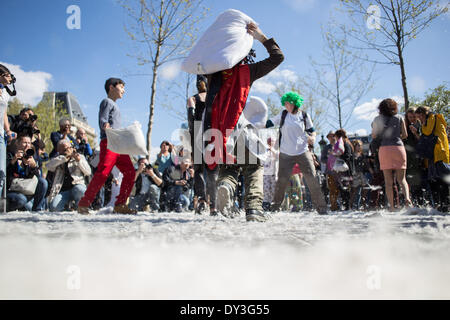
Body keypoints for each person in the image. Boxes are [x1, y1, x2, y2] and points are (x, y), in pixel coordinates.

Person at [204, 22, 284, 222]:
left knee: (229, 169)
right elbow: (278, 57)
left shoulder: (213, 75)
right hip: (246, 130)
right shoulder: (248, 71)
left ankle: (226, 187)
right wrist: (261, 37)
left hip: (221, 132)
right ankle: (254, 209)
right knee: (253, 168)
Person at [77, 78, 137, 214]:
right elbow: (103, 119)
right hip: (109, 142)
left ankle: (120, 204)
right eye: (121, 87)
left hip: (119, 144)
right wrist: (105, 125)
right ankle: (84, 204)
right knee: (103, 172)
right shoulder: (107, 102)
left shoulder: (116, 106)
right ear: (111, 87)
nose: (124, 90)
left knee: (130, 172)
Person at [267, 92, 327, 214]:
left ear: (294, 103)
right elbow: (269, 123)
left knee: (312, 179)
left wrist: (313, 138)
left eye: (288, 103)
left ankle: (322, 208)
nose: (286, 105)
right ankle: (275, 208)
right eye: (285, 103)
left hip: (302, 151)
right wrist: (257, 122)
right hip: (285, 153)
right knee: (281, 181)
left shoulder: (304, 116)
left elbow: (312, 131)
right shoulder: (283, 115)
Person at [371, 98, 412, 211]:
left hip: (384, 149)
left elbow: (374, 135)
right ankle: (407, 199)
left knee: (388, 182)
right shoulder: (400, 118)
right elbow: (405, 135)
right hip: (398, 148)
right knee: (402, 179)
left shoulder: (377, 119)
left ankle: (392, 207)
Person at [187, 75, 219, 215]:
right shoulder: (215, 96)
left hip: (199, 133)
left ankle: (202, 200)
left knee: (200, 170)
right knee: (211, 171)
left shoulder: (193, 98)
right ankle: (212, 205)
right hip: (211, 133)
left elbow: (191, 120)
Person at [414, 106, 449, 212]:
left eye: (420, 116)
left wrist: (422, 125)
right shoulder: (434, 118)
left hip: (439, 153)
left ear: (423, 113)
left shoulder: (432, 118)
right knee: (436, 180)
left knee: (442, 180)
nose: (419, 119)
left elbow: (427, 132)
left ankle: (445, 205)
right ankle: (441, 204)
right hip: (437, 153)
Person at [46, 140, 92, 212]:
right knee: (54, 207)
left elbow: (88, 172)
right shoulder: (58, 158)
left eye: (69, 148)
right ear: (59, 150)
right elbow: (49, 166)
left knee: (80, 190)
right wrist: (64, 158)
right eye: (64, 149)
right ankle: (67, 206)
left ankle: (78, 206)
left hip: (77, 187)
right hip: (63, 190)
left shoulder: (80, 157)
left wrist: (79, 161)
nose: (67, 150)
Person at [6, 135, 48, 211]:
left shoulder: (31, 157)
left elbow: (37, 179)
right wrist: (13, 161)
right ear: (18, 143)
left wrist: (34, 166)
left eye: (29, 143)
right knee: (22, 200)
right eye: (24, 142)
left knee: (43, 182)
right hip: (13, 190)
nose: (27, 145)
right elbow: (6, 174)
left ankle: (37, 209)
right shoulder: (10, 155)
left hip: (26, 190)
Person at [403, 107, 426, 206]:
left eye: (413, 117)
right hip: (408, 158)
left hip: (419, 157)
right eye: (409, 117)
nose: (412, 119)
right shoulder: (404, 127)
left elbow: (423, 141)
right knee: (411, 182)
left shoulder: (421, 125)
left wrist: (415, 133)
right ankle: (415, 203)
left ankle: (422, 203)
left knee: (420, 182)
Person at [0, 64, 15, 198]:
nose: (10, 78)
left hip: (0, 134)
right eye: (7, 75)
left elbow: (4, 113)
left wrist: (8, 130)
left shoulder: (5, 93)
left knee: (1, 171)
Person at [262, 137, 278, 211]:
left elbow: (278, 157)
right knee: (266, 189)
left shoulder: (276, 151)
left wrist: (272, 150)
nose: (270, 143)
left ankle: (274, 204)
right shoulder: (265, 151)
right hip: (266, 173)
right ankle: (266, 204)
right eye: (269, 141)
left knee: (273, 189)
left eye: (272, 141)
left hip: (274, 173)